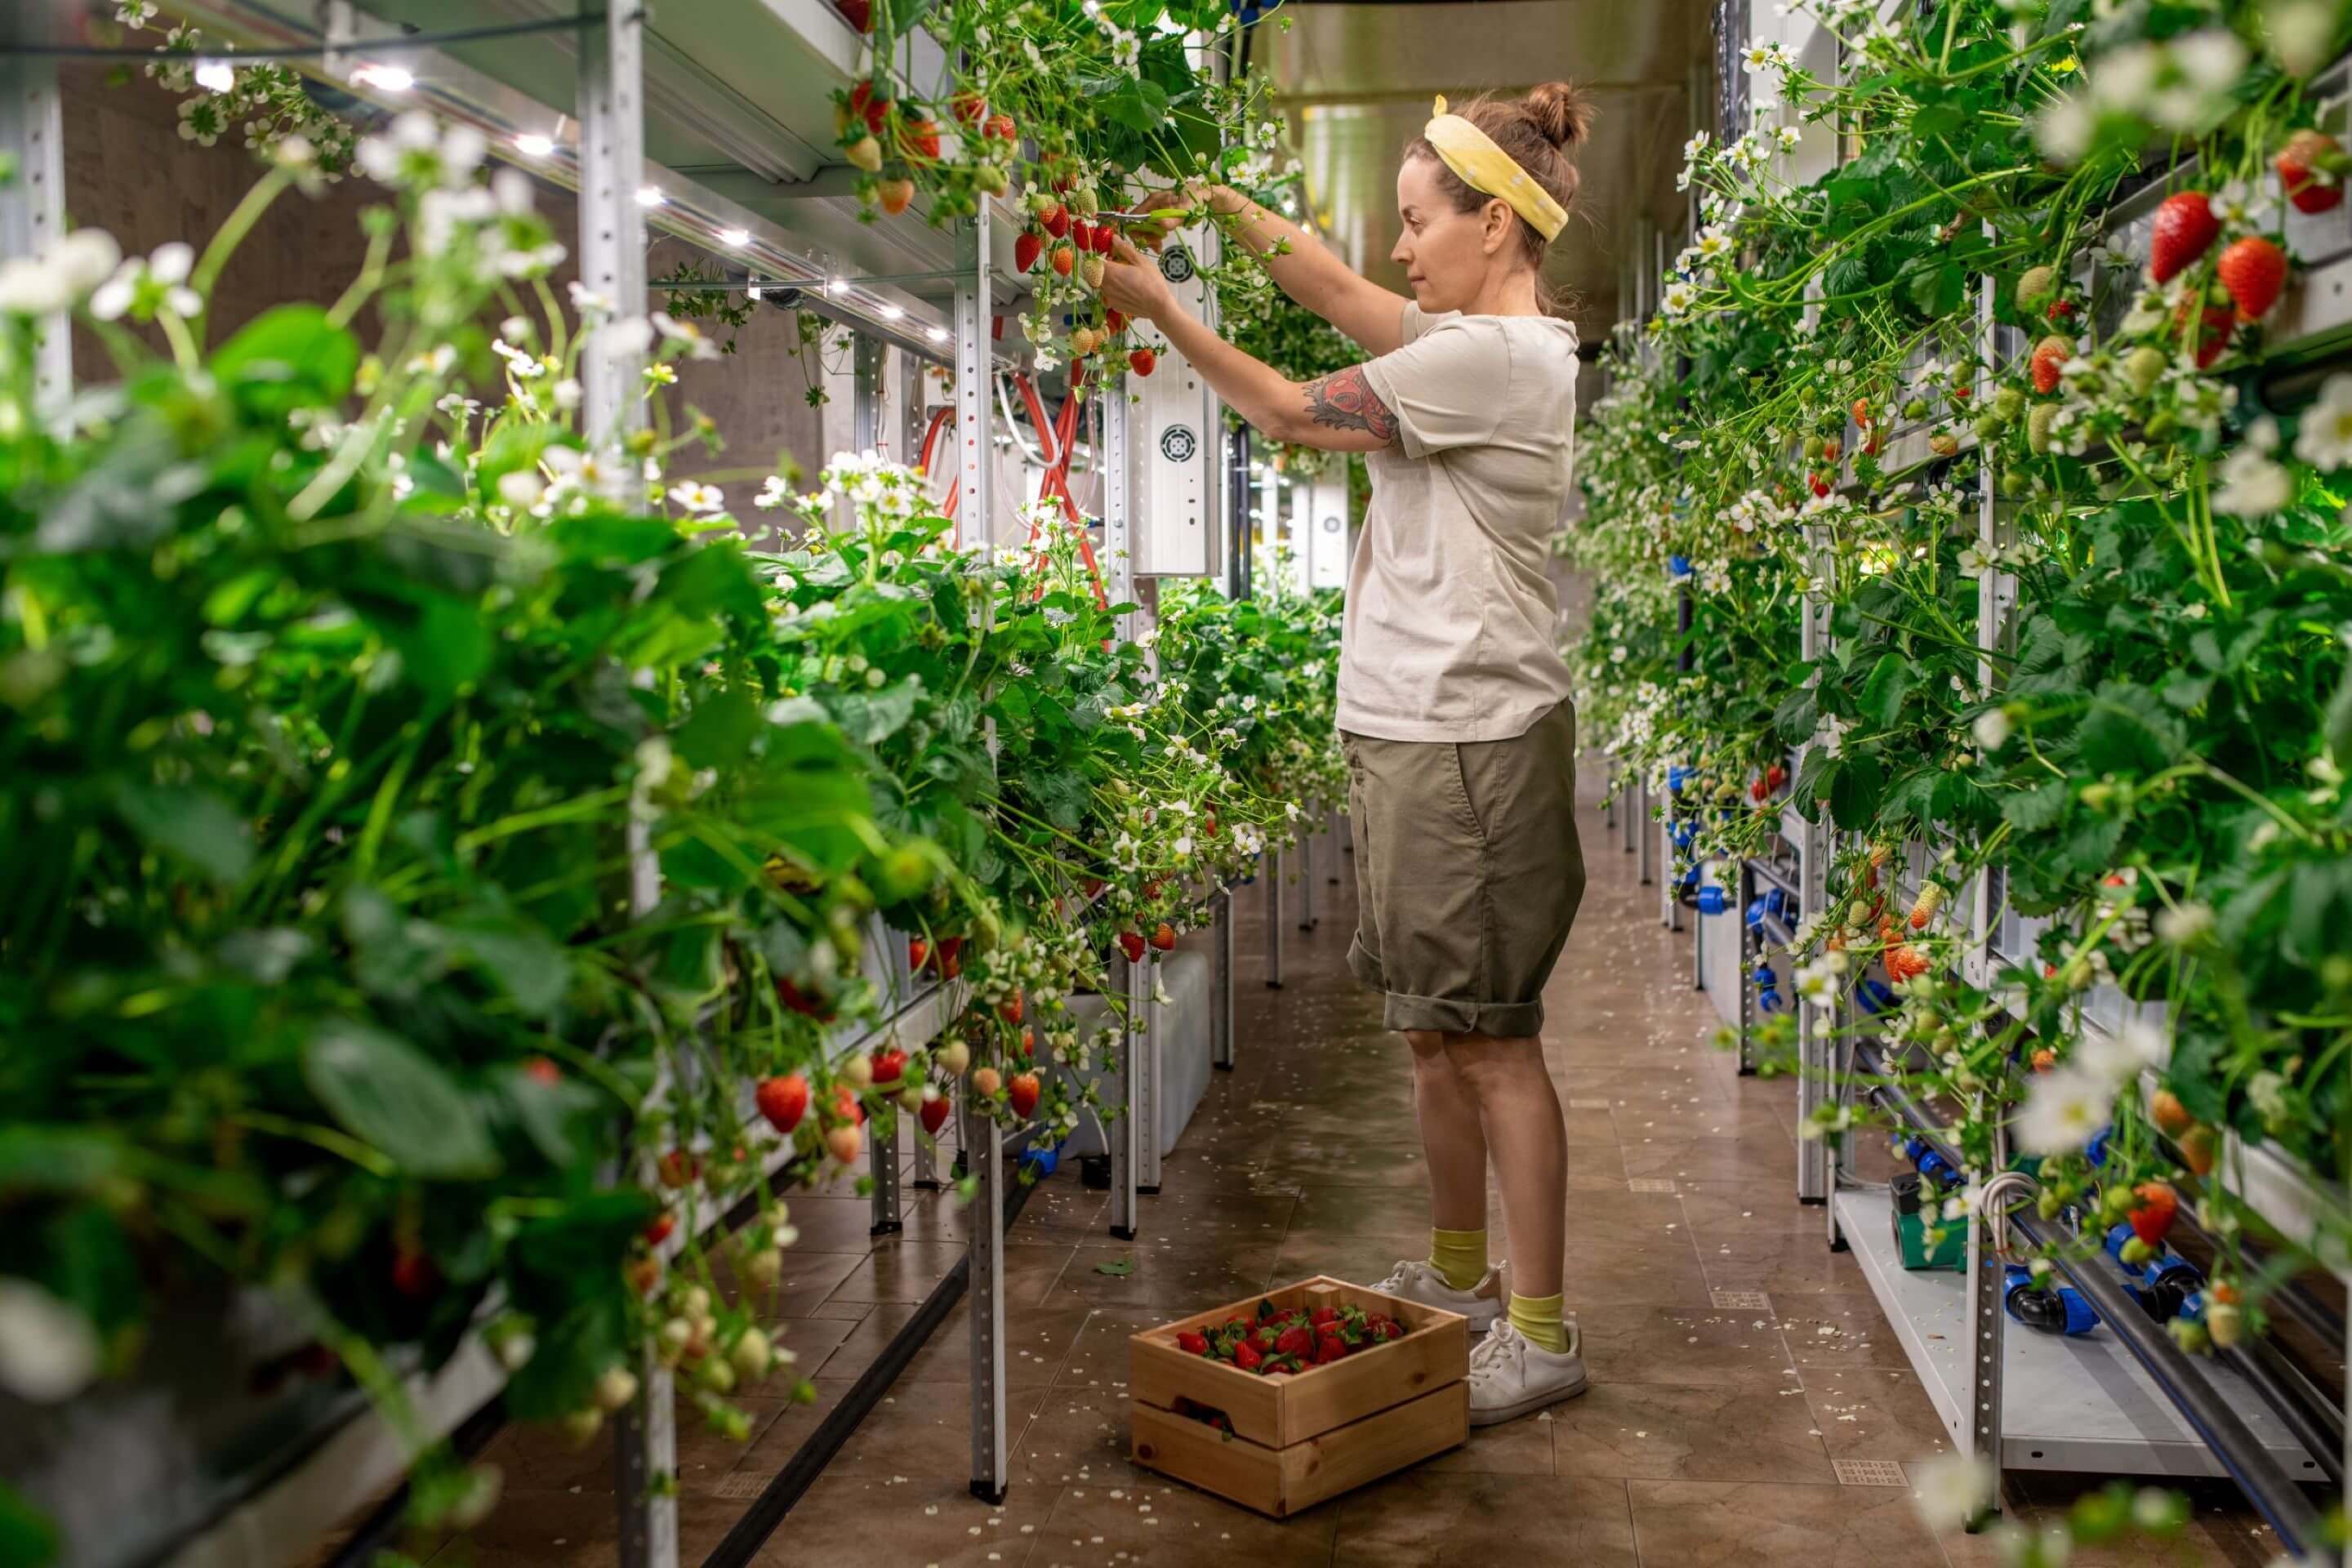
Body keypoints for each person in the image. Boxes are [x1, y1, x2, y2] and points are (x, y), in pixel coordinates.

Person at [1099, 83, 1594, 1425]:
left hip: (1472, 744)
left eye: (1421, 222)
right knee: (1435, 1037)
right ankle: (1458, 1279)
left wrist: (1164, 311)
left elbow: (1285, 409)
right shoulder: (1461, 335)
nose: (1399, 249)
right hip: (1414, 727)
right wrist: (1209, 202)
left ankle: (1542, 1332)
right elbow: (1326, 287)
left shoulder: (1492, 361)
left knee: (1490, 1041)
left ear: (1496, 226)